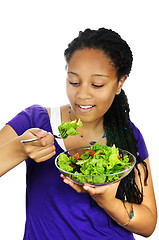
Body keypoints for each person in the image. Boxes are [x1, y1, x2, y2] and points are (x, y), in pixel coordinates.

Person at [0, 28, 157, 240]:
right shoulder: (35, 120)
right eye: (74, 81)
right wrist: (19, 148)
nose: (82, 94)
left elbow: (148, 224)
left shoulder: (128, 134)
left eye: (97, 84)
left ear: (120, 83)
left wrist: (107, 200)